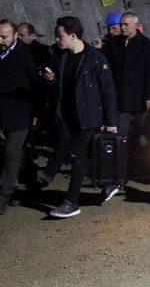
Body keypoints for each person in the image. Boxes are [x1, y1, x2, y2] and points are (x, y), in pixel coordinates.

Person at [40, 16, 119, 218]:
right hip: (67, 116)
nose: (57, 39)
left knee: (77, 156)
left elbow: (108, 90)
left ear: (72, 35)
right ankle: (105, 184)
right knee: (66, 148)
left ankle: (71, 202)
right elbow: (57, 87)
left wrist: (111, 121)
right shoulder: (60, 56)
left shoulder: (95, 58)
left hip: (89, 116)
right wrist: (50, 79)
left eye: (60, 36)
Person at [0, 19, 38, 215]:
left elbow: (34, 85)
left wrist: (36, 113)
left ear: (15, 36)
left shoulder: (25, 55)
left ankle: (3, 197)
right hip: (3, 113)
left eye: (4, 36)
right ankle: (32, 184)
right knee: (19, 153)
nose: (1, 40)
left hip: (20, 114)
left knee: (11, 154)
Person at [103, 12, 150, 136]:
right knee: (121, 132)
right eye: (121, 25)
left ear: (136, 25)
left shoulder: (147, 45)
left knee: (141, 131)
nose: (122, 28)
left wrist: (149, 96)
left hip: (138, 97)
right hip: (120, 97)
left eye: (126, 25)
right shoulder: (113, 43)